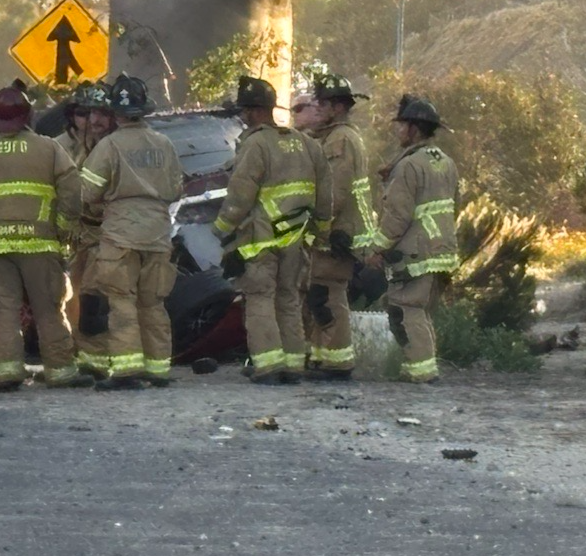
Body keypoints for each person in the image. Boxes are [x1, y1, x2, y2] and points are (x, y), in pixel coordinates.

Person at [0, 82, 87, 392]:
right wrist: (63, 229)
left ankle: (7, 372)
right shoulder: (49, 149)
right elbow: (72, 191)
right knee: (48, 308)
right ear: (28, 118)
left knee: (3, 309)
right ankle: (61, 371)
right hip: (41, 245)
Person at [212, 76, 332, 386]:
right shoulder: (307, 144)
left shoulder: (255, 144)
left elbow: (240, 194)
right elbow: (325, 196)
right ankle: (293, 365)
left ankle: (267, 366)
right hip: (296, 239)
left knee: (260, 298)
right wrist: (319, 233)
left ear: (254, 111)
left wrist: (222, 229)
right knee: (289, 298)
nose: (242, 117)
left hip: (261, 239)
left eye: (244, 111)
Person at [80, 73, 183, 389]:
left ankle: (127, 370)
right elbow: (176, 189)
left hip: (120, 235)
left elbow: (87, 191)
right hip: (158, 234)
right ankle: (158, 369)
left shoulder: (109, 145)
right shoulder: (164, 144)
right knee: (153, 302)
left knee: (121, 301)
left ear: (116, 113)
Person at [365, 95, 459, 383]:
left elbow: (397, 216)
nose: (397, 130)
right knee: (414, 309)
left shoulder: (409, 166)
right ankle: (414, 367)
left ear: (414, 129)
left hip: (417, 252)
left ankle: (422, 372)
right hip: (442, 251)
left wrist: (376, 248)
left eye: (401, 125)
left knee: (408, 308)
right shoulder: (446, 162)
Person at [302, 74, 381, 382]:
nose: (317, 108)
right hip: (336, 230)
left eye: (323, 103)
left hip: (338, 232)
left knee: (329, 293)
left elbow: (334, 190)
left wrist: (319, 226)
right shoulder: (337, 136)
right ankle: (322, 357)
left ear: (337, 107)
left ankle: (337, 362)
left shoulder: (340, 140)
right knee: (320, 293)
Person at [56, 81, 117, 375]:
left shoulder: (114, 146)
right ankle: (82, 351)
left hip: (108, 232)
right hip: (81, 234)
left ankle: (100, 358)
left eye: (102, 113)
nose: (93, 120)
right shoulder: (74, 145)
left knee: (97, 297)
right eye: (87, 113)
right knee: (76, 294)